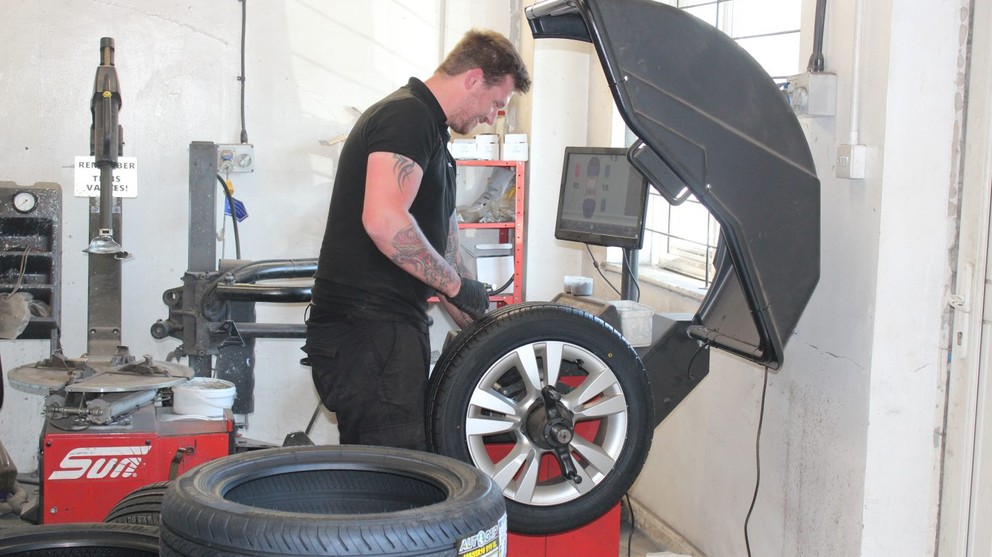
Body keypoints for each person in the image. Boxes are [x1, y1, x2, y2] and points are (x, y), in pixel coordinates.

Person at [304, 29, 531, 451]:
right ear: (473, 78)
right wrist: (456, 287)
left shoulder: (432, 133)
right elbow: (385, 221)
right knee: (390, 478)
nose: (492, 117)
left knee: (401, 467)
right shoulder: (405, 118)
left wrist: (486, 320)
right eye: (496, 104)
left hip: (386, 329)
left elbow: (440, 248)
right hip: (366, 332)